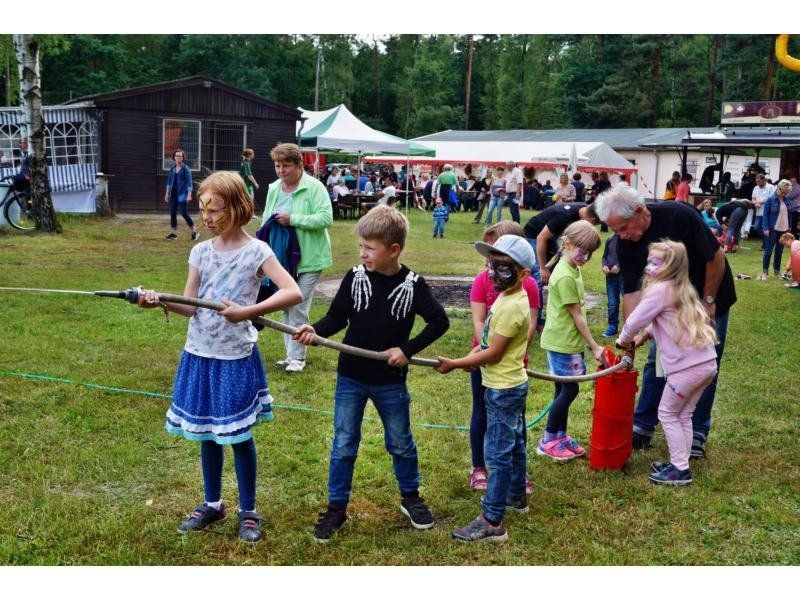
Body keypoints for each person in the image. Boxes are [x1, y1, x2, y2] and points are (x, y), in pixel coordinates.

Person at [137, 171, 303, 543]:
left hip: (234, 358)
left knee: (238, 436)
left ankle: (248, 511)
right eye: (203, 209)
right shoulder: (200, 251)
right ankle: (213, 504)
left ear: (238, 207)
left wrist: (248, 312)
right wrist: (159, 301)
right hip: (199, 354)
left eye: (215, 210)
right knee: (208, 434)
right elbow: (190, 305)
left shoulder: (257, 252)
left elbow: (292, 292)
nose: (207, 218)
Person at [293, 206, 449, 543]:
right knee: (344, 442)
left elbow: (440, 321)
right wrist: (315, 330)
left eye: (369, 248)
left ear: (393, 250)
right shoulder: (355, 277)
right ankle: (336, 508)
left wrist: (406, 350)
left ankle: (411, 497)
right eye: (360, 246)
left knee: (400, 441)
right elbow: (337, 318)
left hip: (390, 382)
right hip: (351, 376)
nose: (362, 253)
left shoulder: (413, 284)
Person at [593, 186, 736, 458]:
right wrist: (632, 338)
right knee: (656, 360)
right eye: (614, 230)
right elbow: (632, 293)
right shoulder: (625, 242)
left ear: (639, 212)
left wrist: (708, 301)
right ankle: (643, 424)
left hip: (709, 296)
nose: (621, 235)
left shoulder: (679, 215)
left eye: (623, 227)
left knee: (704, 363)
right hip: (669, 309)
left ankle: (696, 431)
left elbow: (716, 256)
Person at [435, 234, 535, 542]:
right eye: (492, 265)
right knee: (514, 444)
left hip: (503, 389)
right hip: (509, 383)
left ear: (523, 274)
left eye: (503, 268)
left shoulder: (511, 306)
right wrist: (472, 357)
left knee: (497, 454)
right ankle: (516, 496)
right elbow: (489, 345)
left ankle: (492, 520)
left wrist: (457, 362)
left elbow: (493, 354)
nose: (493, 274)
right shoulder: (508, 297)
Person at [616, 241, 718, 486]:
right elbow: (666, 321)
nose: (649, 267)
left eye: (656, 263)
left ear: (671, 267)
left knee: (668, 413)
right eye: (649, 261)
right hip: (706, 365)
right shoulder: (681, 288)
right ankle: (680, 462)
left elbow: (634, 320)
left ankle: (680, 470)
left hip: (686, 370)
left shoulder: (659, 290)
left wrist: (624, 340)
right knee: (684, 414)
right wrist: (645, 335)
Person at [466, 221, 540, 494]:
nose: (493, 265)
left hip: (510, 364)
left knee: (514, 420)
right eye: (491, 257)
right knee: (481, 411)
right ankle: (479, 466)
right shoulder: (482, 280)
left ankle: (516, 476)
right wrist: (483, 351)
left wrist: (509, 350)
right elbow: (479, 319)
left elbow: (530, 324)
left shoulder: (528, 285)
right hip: (482, 358)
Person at [262, 143, 333, 374]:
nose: (281, 171)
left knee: (298, 306)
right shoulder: (274, 188)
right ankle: (290, 355)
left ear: (299, 165)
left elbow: (325, 218)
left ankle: (298, 358)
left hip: (310, 258)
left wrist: (293, 219)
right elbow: (266, 219)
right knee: (286, 305)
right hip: (283, 258)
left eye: (286, 166)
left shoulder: (314, 187)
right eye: (277, 166)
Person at [536, 221, 603, 461]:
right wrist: (594, 346)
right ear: (567, 244)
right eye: (582, 251)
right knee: (570, 390)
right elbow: (576, 316)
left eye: (590, 253)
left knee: (563, 390)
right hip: (562, 342)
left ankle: (560, 437)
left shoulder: (572, 267)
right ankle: (548, 441)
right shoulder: (565, 275)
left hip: (567, 341)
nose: (586, 257)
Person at [522, 202, 599, 286]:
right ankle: (534, 291)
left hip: (550, 237)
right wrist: (543, 268)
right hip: (533, 235)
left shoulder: (584, 209)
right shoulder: (564, 216)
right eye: (594, 224)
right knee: (540, 274)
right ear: (592, 220)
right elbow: (541, 238)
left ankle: (556, 289)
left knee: (559, 264)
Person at [757, 179, 793, 280]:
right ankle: (765, 271)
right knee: (768, 251)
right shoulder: (770, 199)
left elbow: (789, 213)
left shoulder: (787, 200)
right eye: (784, 192)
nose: (785, 194)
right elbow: (765, 215)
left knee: (779, 251)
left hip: (784, 229)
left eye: (787, 193)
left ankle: (777, 272)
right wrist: (766, 228)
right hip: (772, 229)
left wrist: (789, 225)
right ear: (779, 188)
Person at [164, 149, 199, 241]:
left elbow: (189, 182)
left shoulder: (186, 169)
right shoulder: (172, 169)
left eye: (180, 156)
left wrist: (189, 195)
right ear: (174, 157)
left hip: (183, 194)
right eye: (177, 156)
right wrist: (167, 194)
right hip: (173, 195)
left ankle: (195, 232)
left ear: (183, 158)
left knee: (184, 213)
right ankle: (173, 234)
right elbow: (169, 183)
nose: (179, 157)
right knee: (172, 212)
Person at [601, 233, 622, 337]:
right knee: (612, 303)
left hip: (625, 276)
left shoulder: (628, 238)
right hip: (611, 277)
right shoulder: (610, 239)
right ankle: (613, 327)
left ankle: (632, 328)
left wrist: (619, 266)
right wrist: (604, 265)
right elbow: (604, 256)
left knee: (630, 302)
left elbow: (631, 256)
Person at [750, 173, 775, 247]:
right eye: (756, 181)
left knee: (766, 228)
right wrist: (755, 203)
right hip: (759, 211)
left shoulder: (771, 187)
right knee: (756, 227)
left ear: (764, 180)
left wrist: (759, 202)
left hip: (768, 211)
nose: (757, 183)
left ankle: (766, 244)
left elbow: (771, 199)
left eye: (759, 181)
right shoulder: (756, 188)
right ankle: (769, 239)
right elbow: (753, 199)